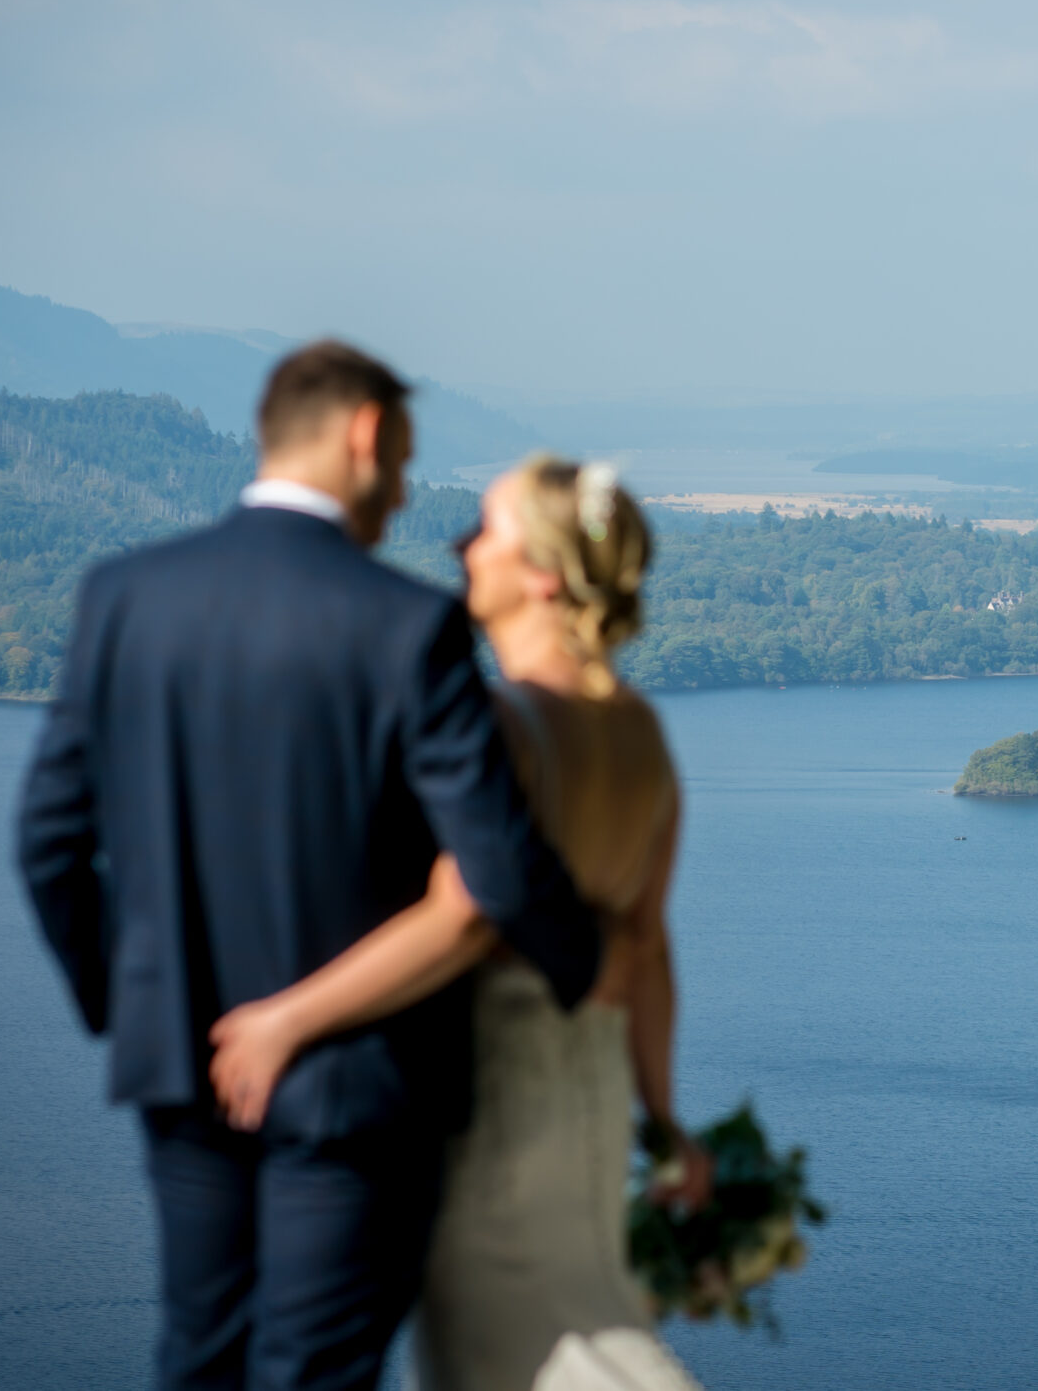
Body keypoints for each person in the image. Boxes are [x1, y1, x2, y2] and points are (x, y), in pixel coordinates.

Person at [15, 343, 604, 1391]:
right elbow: (499, 868)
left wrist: (132, 1001)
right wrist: (582, 966)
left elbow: (47, 842)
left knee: (197, 1359)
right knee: (315, 1374)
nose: (407, 494)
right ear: (364, 435)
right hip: (358, 1085)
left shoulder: (123, 597)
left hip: (183, 1063)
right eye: (407, 462)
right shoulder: (406, 626)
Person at [206, 455, 708, 1391]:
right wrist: (664, 1115)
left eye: (485, 529)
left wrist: (289, 1019)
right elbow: (646, 949)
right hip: (591, 1100)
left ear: (543, 574)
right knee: (583, 1315)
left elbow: (465, 915)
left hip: (497, 1100)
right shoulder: (644, 736)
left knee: (515, 1355)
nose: (460, 545)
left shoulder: (507, 725)